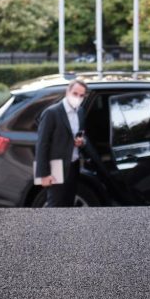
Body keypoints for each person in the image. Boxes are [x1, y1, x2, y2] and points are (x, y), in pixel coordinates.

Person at [34, 79, 88, 207]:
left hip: (73, 166)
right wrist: (44, 174)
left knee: (69, 203)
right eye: (75, 94)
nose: (78, 98)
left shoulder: (80, 111)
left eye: (81, 95)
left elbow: (81, 134)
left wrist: (82, 142)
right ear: (67, 92)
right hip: (56, 167)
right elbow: (42, 144)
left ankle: (66, 227)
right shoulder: (52, 112)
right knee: (55, 205)